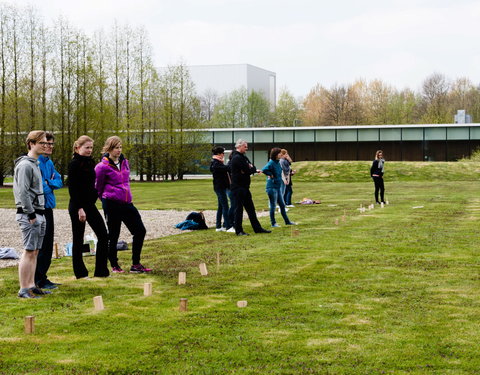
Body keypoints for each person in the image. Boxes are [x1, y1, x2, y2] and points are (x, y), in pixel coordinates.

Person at [95, 136, 151, 274]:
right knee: (113, 235)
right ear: (108, 148)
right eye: (116, 147)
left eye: (120, 147)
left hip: (126, 203)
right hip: (111, 203)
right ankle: (114, 265)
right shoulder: (101, 167)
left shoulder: (125, 162)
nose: (119, 150)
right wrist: (106, 200)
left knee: (140, 230)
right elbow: (98, 187)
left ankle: (136, 264)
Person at [14, 130, 49, 298]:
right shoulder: (25, 165)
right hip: (30, 215)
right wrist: (31, 214)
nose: (45, 145)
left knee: (35, 251)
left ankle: (31, 285)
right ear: (31, 144)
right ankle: (23, 288)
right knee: (28, 251)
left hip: (39, 213)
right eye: (41, 143)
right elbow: (23, 192)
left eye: (46, 143)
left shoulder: (35, 164)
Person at [68, 135, 109, 279]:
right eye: (87, 147)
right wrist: (80, 209)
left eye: (91, 147)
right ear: (78, 148)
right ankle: (80, 273)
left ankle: (101, 271)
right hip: (78, 206)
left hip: (90, 205)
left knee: (103, 235)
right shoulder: (74, 164)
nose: (90, 150)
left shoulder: (91, 162)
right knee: (78, 239)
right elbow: (73, 188)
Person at [35, 132, 63, 290]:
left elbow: (59, 181)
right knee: (41, 245)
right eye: (47, 144)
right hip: (40, 207)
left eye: (52, 144)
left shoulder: (49, 162)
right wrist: (48, 183)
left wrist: (49, 181)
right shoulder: (37, 162)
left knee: (48, 245)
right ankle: (37, 279)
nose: (50, 147)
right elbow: (40, 187)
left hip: (49, 206)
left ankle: (43, 277)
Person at [230, 139, 271, 236]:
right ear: (239, 146)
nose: (246, 148)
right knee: (238, 209)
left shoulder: (243, 157)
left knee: (251, 209)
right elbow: (248, 170)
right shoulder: (236, 158)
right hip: (238, 187)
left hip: (245, 187)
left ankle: (257, 228)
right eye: (245, 146)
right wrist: (249, 168)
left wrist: (250, 168)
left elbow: (251, 168)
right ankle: (239, 230)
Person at [262, 148, 297, 228]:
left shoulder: (278, 163)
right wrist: (271, 175)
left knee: (282, 204)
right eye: (279, 153)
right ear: (275, 154)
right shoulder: (271, 162)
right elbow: (264, 170)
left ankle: (287, 222)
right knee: (273, 205)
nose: (281, 155)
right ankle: (273, 223)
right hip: (271, 187)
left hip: (278, 187)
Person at [210, 146, 232, 232]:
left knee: (220, 207)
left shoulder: (217, 162)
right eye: (222, 153)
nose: (223, 154)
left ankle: (218, 226)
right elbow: (226, 168)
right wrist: (230, 163)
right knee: (225, 206)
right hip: (220, 187)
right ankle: (228, 226)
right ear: (219, 154)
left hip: (220, 187)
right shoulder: (216, 163)